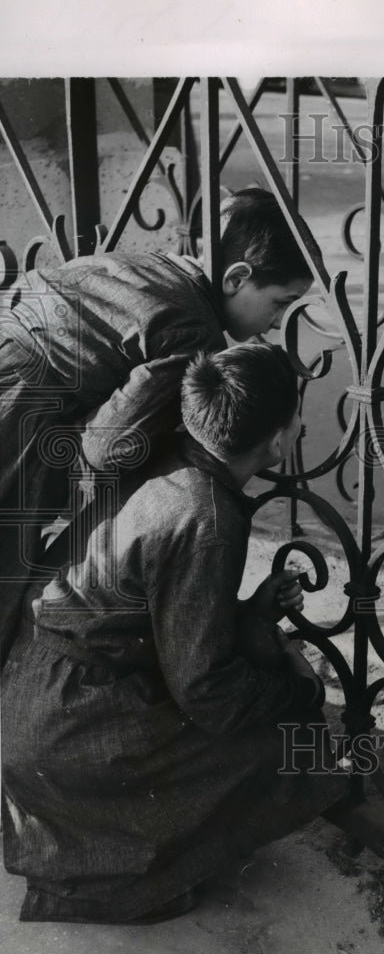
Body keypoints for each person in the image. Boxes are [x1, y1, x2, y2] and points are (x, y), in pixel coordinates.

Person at [1, 343, 345, 924]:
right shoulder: (208, 515)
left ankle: (89, 850)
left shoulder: (165, 462)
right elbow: (206, 690)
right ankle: (107, 885)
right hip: (65, 725)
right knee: (291, 742)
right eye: (295, 421)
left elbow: (151, 610)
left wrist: (247, 612)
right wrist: (300, 692)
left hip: (30, 696)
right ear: (278, 442)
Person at [0, 187, 319, 664]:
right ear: (236, 278)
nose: (276, 322)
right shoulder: (194, 333)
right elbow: (107, 448)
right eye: (279, 302)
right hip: (19, 418)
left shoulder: (147, 267)